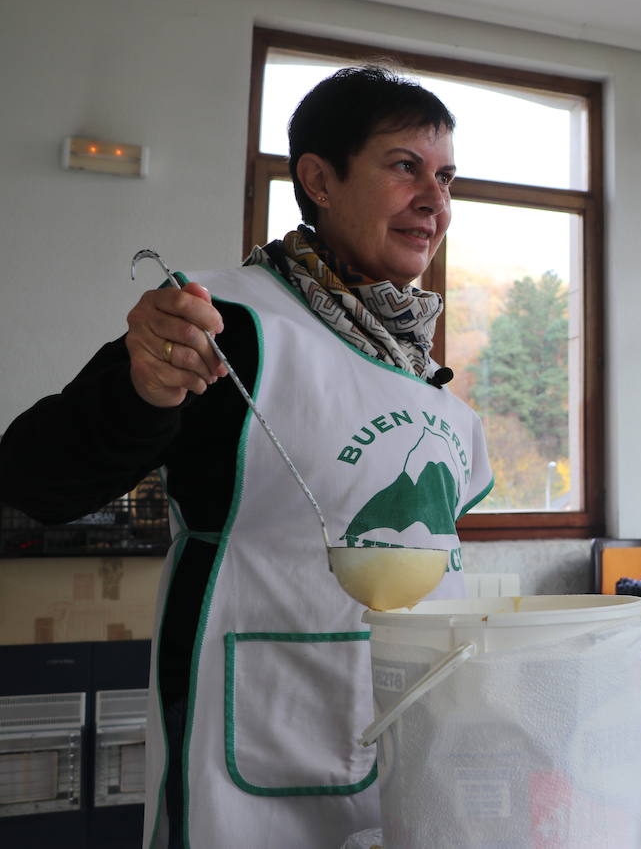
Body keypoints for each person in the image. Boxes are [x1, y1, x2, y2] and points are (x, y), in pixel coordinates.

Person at [0, 66, 492, 847]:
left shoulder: (424, 376)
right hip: (259, 766)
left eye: (447, 177)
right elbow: (36, 479)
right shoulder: (224, 324)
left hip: (414, 759)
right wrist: (142, 388)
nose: (436, 201)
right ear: (319, 180)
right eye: (405, 167)